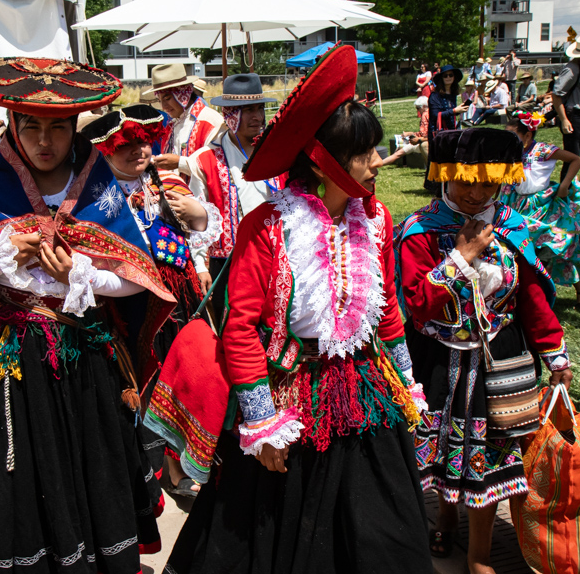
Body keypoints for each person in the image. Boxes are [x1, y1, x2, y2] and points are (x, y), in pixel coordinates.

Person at [153, 45, 432, 574]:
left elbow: (389, 313)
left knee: (383, 531)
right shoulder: (268, 227)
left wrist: (408, 386)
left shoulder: (378, 221)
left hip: (366, 393)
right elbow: (240, 330)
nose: (378, 162)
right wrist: (260, 425)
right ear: (323, 159)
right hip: (290, 399)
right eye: (364, 153)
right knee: (277, 534)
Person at [0, 57, 177, 573]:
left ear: (73, 129)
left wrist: (77, 275)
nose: (44, 141)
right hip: (12, 371)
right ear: (12, 128)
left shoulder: (101, 192)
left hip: (85, 364)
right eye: (30, 127)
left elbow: (138, 275)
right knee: (23, 477)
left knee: (89, 467)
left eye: (57, 128)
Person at [397, 127, 574, 573]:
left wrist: (554, 353)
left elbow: (532, 297)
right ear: (444, 174)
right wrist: (462, 255)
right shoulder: (420, 231)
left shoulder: (513, 228)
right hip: (437, 359)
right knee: (439, 451)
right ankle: (444, 516)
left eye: (488, 182)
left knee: (488, 458)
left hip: (498, 360)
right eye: (466, 180)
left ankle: (479, 555)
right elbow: (418, 302)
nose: (476, 193)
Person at [83, 104, 223, 499]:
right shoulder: (96, 194)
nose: (138, 151)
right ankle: (145, 465)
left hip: (177, 300)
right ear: (106, 150)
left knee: (183, 375)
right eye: (125, 146)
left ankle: (182, 459)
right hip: (126, 307)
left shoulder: (167, 181)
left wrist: (199, 216)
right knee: (139, 383)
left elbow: (202, 228)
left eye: (143, 142)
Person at [184, 73, 279, 315]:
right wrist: (200, 265)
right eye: (248, 110)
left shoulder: (276, 152)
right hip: (228, 264)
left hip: (274, 259)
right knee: (233, 333)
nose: (258, 117)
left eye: (260, 108)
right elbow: (198, 218)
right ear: (230, 115)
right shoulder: (206, 160)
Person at [501, 114, 580, 304]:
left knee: (546, 248)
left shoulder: (543, 150)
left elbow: (576, 160)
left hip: (542, 206)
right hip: (519, 204)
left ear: (527, 136)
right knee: (531, 249)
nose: (508, 141)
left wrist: (564, 185)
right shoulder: (511, 152)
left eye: (513, 136)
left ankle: (533, 295)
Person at [145, 64, 224, 174]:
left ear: (183, 93)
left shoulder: (210, 121)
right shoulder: (173, 124)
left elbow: (219, 166)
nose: (163, 106)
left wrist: (180, 163)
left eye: (167, 98)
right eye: (159, 100)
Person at [553, 33, 580, 191]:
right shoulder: (572, 69)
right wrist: (564, 119)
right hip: (575, 116)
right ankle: (566, 191)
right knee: (573, 158)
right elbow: (556, 95)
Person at [426, 64, 467, 192]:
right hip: (437, 132)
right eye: (445, 75)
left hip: (451, 130)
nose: (449, 78)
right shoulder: (435, 96)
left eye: (451, 75)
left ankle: (447, 183)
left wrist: (458, 110)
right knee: (437, 158)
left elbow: (449, 112)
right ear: (441, 78)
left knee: (450, 156)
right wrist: (455, 110)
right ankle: (434, 185)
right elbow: (435, 115)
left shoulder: (453, 95)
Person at [384, 96, 430, 165]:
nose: (418, 111)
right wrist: (410, 133)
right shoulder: (432, 112)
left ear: (424, 106)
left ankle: (380, 163)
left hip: (422, 141)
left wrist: (411, 136)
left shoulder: (425, 115)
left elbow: (423, 133)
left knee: (398, 152)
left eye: (418, 108)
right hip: (426, 140)